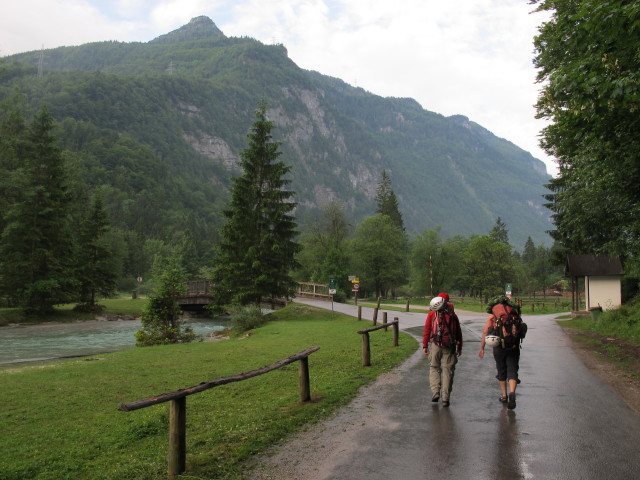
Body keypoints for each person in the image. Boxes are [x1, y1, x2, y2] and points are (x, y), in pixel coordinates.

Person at [422, 293, 463, 407]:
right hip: (449, 346)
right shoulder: (452, 315)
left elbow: (427, 330)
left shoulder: (432, 314)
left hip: (436, 344)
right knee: (448, 371)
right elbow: (458, 332)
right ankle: (445, 398)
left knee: (434, 367)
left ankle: (435, 391)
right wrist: (459, 347)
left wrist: (425, 345)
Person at [478, 310, 520, 409]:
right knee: (512, 370)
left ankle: (504, 396)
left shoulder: (492, 317)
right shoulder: (515, 316)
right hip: (513, 347)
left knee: (501, 370)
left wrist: (482, 348)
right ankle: (512, 392)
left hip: (498, 348)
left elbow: (485, 332)